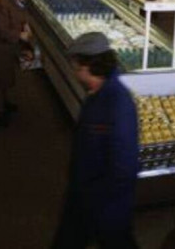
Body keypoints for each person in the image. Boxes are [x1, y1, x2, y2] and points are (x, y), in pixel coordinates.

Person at [52, 32, 139, 249]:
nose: (73, 72)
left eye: (75, 67)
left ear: (89, 66)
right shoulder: (97, 93)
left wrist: (97, 201)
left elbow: (124, 167)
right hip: (86, 195)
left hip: (102, 205)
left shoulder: (117, 104)